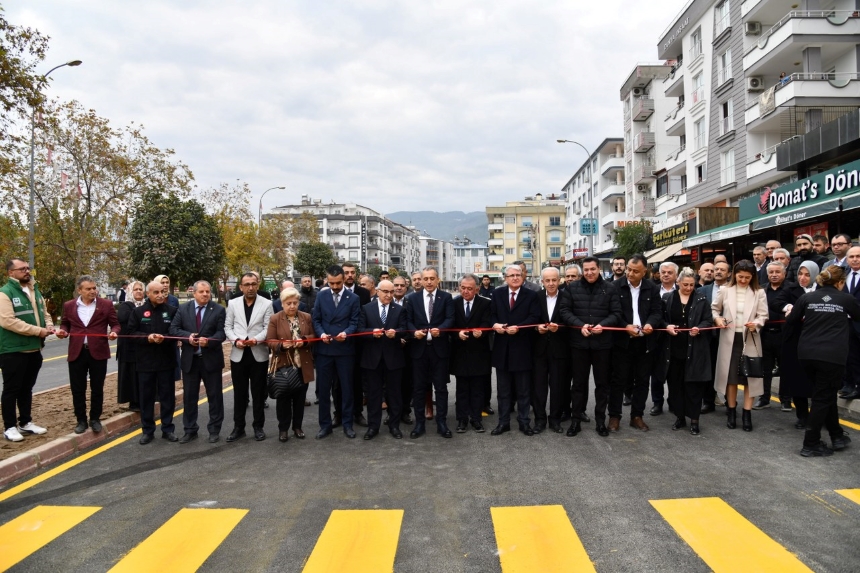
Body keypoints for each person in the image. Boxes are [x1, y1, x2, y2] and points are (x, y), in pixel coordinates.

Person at [785, 266, 860, 456]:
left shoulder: (807, 298)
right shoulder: (847, 299)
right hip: (832, 356)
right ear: (840, 282)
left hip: (807, 354)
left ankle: (837, 436)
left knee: (825, 395)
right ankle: (811, 443)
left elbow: (792, 320)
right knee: (822, 397)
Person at [559, 256, 622, 437]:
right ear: (582, 271)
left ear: (599, 269)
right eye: (586, 270)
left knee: (602, 385)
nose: (589, 273)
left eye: (592, 269)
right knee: (578, 385)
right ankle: (576, 421)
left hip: (603, 345)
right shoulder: (572, 288)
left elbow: (616, 313)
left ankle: (600, 421)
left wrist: (603, 324)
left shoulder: (610, 289)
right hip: (579, 344)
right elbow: (565, 311)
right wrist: (580, 326)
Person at [56, 275, 120, 435]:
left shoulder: (106, 304)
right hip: (77, 352)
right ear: (79, 290)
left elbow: (116, 324)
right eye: (88, 289)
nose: (93, 291)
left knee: (97, 387)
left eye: (94, 288)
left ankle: (95, 419)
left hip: (98, 352)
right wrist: (63, 331)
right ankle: (81, 420)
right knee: (78, 389)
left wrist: (113, 332)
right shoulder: (69, 305)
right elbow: (65, 323)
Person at [712, 260, 769, 432]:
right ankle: (731, 411)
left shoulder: (759, 292)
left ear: (753, 277)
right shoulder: (725, 290)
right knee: (731, 379)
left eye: (747, 277)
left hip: (750, 338)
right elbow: (714, 309)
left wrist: (757, 323)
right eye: (740, 276)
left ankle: (747, 413)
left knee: (750, 378)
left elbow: (764, 315)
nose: (743, 280)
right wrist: (718, 319)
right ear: (734, 275)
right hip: (730, 338)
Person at [169, 280, 227, 444]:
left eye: (207, 291)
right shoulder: (183, 309)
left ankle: (214, 429)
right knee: (190, 397)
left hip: (211, 360)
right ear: (194, 293)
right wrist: (188, 337)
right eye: (201, 292)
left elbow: (222, 333)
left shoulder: (218, 310)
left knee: (214, 397)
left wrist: (209, 341)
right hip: (190, 361)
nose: (205, 294)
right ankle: (190, 430)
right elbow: (173, 329)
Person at [0, 258, 52, 442]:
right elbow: (8, 321)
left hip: (34, 349)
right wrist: (38, 331)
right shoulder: (4, 293)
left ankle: (25, 422)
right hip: (13, 350)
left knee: (26, 388)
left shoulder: (34, 290)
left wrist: (51, 327)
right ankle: (9, 427)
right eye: (21, 269)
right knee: (11, 389)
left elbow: (44, 314)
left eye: (27, 268)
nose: (26, 271)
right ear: (10, 273)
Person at [609, 255, 663, 433]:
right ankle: (615, 416)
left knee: (642, 380)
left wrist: (650, 324)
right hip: (622, 342)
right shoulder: (615, 287)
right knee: (618, 381)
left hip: (645, 342)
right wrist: (625, 326)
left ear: (644, 272)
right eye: (629, 269)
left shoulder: (652, 289)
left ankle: (637, 416)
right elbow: (614, 313)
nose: (630, 273)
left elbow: (657, 312)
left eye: (635, 271)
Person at [659, 268, 712, 435]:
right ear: (678, 283)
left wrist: (700, 328)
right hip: (673, 348)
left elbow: (708, 320)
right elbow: (660, 318)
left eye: (692, 285)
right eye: (685, 285)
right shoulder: (668, 298)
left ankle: (694, 420)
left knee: (693, 385)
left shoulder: (701, 298)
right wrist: (666, 326)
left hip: (694, 348)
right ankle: (680, 417)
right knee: (675, 385)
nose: (689, 288)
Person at [489, 264, 540, 436]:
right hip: (502, 349)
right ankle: (503, 423)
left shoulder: (531, 295)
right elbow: (491, 315)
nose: (515, 278)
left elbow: (534, 317)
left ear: (523, 276)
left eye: (518, 274)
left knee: (524, 390)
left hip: (523, 348)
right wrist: (495, 325)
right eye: (511, 275)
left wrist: (519, 327)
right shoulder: (497, 294)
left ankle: (524, 422)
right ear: (505, 277)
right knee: (503, 391)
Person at [312, 265, 361, 439]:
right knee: (324, 390)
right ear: (327, 280)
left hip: (344, 350)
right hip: (325, 350)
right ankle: (325, 425)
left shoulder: (353, 298)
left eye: (338, 283)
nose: (334, 287)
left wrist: (346, 333)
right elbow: (316, 319)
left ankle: (348, 424)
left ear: (343, 280)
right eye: (331, 283)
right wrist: (322, 334)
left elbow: (355, 322)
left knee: (347, 389)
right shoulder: (321, 295)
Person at [405, 266, 454, 438]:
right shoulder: (412, 298)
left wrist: (440, 329)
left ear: (438, 279)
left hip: (439, 349)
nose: (428, 282)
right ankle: (419, 424)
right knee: (418, 388)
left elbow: (450, 319)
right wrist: (413, 332)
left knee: (441, 388)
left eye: (432, 278)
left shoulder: (446, 297)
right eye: (425, 279)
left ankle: (442, 423)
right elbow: (408, 321)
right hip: (419, 350)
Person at [225, 272, 274, 442]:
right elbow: (228, 327)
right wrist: (235, 340)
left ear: (258, 285)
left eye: (253, 284)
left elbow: (268, 327)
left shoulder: (267, 304)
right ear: (241, 287)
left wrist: (257, 339)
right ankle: (238, 428)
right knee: (239, 393)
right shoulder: (232, 303)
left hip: (258, 353)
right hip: (238, 354)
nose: (251, 287)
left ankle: (258, 427)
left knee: (258, 393)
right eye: (247, 284)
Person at [129, 280, 179, 444]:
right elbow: (131, 334)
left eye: (162, 292)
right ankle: (148, 430)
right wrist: (147, 338)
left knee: (167, 397)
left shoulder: (172, 311)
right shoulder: (138, 312)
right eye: (156, 292)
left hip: (166, 361)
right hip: (145, 362)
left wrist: (166, 338)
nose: (160, 295)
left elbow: (176, 332)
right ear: (147, 294)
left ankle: (167, 429)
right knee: (146, 398)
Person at [357, 280, 406, 440]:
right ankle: (373, 427)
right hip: (372, 359)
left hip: (393, 358)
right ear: (377, 291)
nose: (389, 295)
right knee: (373, 395)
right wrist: (372, 332)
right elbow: (360, 330)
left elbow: (405, 329)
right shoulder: (366, 308)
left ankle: (394, 425)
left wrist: (396, 333)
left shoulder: (399, 309)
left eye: (391, 292)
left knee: (395, 394)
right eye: (385, 291)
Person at [266, 287, 315, 442]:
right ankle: (283, 429)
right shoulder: (275, 318)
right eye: (288, 303)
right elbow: (270, 340)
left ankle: (297, 427)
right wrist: (281, 345)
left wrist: (305, 340)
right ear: (282, 304)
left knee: (300, 400)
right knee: (284, 400)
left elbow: (314, 335)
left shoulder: (306, 317)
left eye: (295, 303)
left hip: (303, 365)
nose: (292, 306)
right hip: (284, 366)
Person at [776, 261, 819, 429]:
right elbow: (777, 301)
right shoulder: (790, 289)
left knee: (817, 381)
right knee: (796, 380)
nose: (803, 278)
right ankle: (802, 416)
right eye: (800, 274)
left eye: (807, 275)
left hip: (816, 340)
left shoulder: (822, 290)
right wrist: (788, 306)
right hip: (794, 341)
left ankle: (819, 415)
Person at [450, 274, 492, 433]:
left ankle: (476, 419)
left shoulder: (485, 303)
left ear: (477, 289)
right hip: (460, 353)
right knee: (461, 389)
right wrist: (456, 334)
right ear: (459, 287)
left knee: (477, 389)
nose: (466, 291)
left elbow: (488, 321)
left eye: (470, 288)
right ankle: (462, 420)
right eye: (463, 288)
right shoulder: (453, 303)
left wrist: (482, 331)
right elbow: (449, 324)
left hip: (479, 352)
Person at [532, 267, 570, 434]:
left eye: (554, 280)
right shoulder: (536, 297)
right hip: (539, 349)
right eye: (547, 280)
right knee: (539, 387)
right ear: (542, 282)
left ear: (559, 280)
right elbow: (531, 319)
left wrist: (559, 328)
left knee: (557, 387)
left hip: (559, 349)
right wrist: (536, 328)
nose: (551, 283)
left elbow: (571, 322)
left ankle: (555, 419)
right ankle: (540, 420)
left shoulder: (567, 297)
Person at [755, 262, 791, 411]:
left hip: (785, 335)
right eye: (771, 272)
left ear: (784, 274)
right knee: (765, 369)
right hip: (765, 334)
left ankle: (786, 399)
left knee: (786, 368)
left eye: (778, 272)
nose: (774, 275)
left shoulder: (790, 289)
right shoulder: (761, 290)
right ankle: (764, 398)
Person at [341, 262, 371, 427]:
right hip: (340, 343)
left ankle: (358, 413)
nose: (350, 275)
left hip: (358, 344)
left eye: (353, 272)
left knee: (358, 381)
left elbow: (365, 316)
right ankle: (339, 414)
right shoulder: (333, 291)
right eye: (346, 272)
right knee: (339, 382)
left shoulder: (363, 293)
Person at [699, 260, 731, 414]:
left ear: (729, 273)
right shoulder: (703, 290)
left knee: (728, 370)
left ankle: (730, 402)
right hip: (708, 336)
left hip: (728, 335)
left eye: (721, 269)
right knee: (709, 369)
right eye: (715, 269)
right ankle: (708, 401)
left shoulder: (734, 289)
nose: (717, 272)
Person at [650, 261, 679, 415]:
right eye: (664, 272)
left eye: (670, 272)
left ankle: (674, 402)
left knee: (674, 373)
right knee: (657, 373)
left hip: (676, 338)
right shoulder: (652, 290)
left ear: (676, 275)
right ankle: (657, 403)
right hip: (657, 337)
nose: (666, 275)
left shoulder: (682, 290)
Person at [116, 281, 145, 411]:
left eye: (141, 289)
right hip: (128, 348)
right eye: (135, 289)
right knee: (131, 376)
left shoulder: (148, 305)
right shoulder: (125, 306)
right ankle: (134, 402)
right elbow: (125, 319)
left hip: (144, 347)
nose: (139, 291)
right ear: (130, 291)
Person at [838, 245, 860, 400]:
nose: (855, 259)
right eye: (851, 257)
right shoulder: (843, 276)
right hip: (845, 323)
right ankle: (848, 384)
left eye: (858, 256)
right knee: (848, 355)